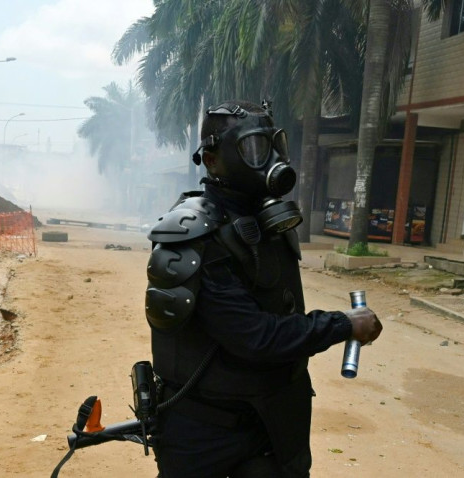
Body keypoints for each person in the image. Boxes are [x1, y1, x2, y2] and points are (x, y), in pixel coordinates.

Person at [144, 99, 382, 478]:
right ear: (212, 160)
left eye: (274, 145)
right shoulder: (191, 235)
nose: (269, 158)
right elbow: (255, 337)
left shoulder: (267, 224)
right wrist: (342, 325)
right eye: (253, 148)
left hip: (275, 421)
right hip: (205, 435)